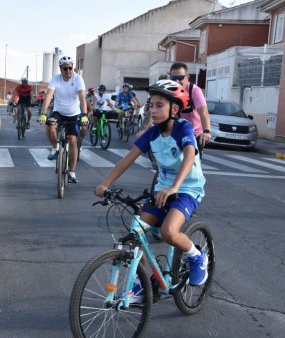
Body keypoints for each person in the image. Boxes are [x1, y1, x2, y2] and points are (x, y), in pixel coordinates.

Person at [95, 79, 208, 288]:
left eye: (159, 106)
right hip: (161, 190)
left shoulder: (183, 128)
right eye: (150, 105)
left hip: (187, 188)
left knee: (169, 232)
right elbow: (127, 160)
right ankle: (141, 282)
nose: (152, 110)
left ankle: (196, 256)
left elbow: (190, 155)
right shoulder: (152, 133)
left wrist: (174, 187)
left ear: (174, 109)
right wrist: (105, 184)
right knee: (134, 236)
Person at [38, 55, 88, 184]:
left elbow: (82, 98)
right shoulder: (55, 79)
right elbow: (49, 94)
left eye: (70, 68)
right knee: (49, 125)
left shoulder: (78, 79)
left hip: (74, 113)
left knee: (72, 140)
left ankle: (72, 172)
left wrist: (84, 114)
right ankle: (55, 148)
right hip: (58, 112)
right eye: (65, 69)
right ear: (60, 69)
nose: (68, 71)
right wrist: (43, 113)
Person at [169, 62, 211, 156]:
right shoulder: (168, 90)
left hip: (194, 133)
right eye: (173, 78)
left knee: (194, 164)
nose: (177, 81)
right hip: (174, 131)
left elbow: (204, 113)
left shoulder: (194, 91)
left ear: (187, 77)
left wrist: (206, 131)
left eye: (180, 78)